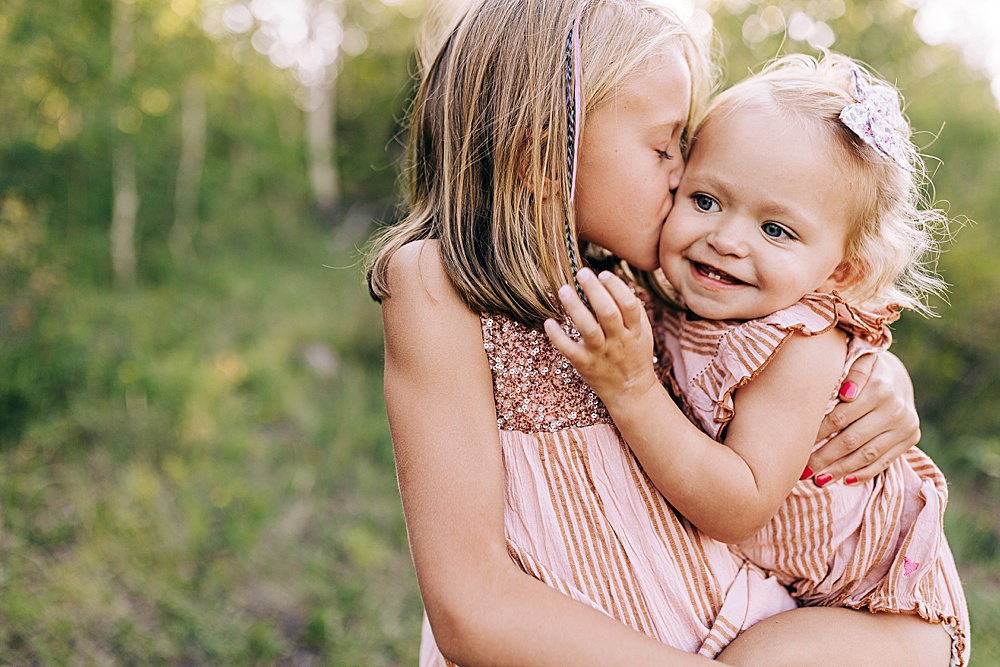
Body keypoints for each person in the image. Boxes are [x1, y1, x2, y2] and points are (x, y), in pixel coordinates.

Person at [366, 1, 924, 664]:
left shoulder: (638, 274)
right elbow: (471, 605)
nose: (681, 173)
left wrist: (880, 377)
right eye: (664, 146)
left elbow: (799, 318)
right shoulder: (437, 281)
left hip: (736, 621)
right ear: (541, 155)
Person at [547, 53, 969, 666]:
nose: (727, 238)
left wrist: (633, 388)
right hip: (801, 593)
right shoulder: (674, 300)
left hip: (882, 615)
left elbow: (738, 505)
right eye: (707, 200)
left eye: (776, 231)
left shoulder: (797, 343)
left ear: (840, 270)